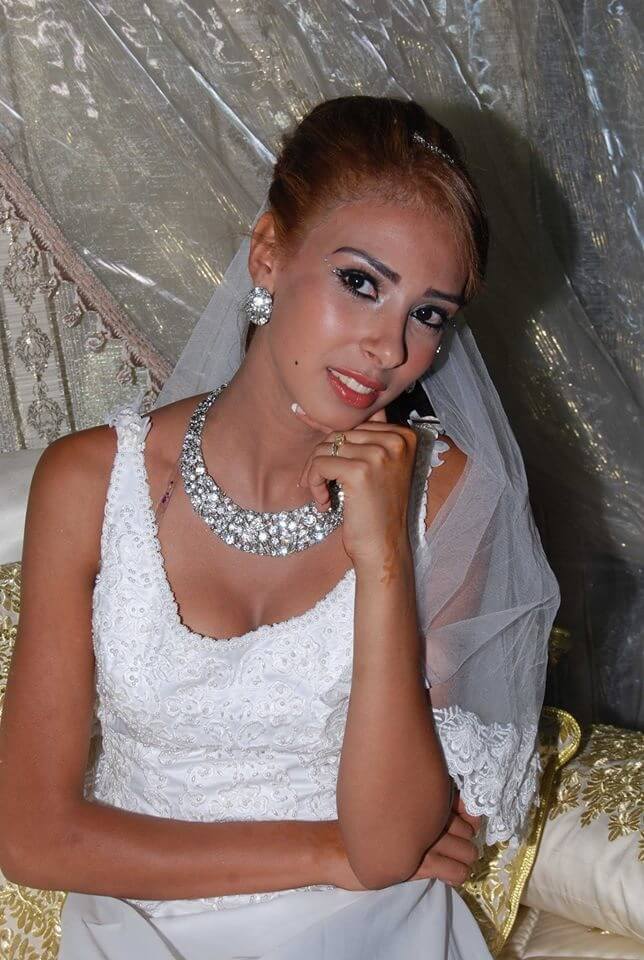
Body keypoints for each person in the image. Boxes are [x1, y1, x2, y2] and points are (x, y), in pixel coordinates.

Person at [0, 96, 560, 959]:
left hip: (370, 933)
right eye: (361, 283)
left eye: (428, 314)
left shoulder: (445, 494)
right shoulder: (90, 482)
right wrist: (325, 853)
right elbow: (32, 838)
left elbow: (390, 846)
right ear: (268, 253)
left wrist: (382, 557)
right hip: (142, 928)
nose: (389, 348)